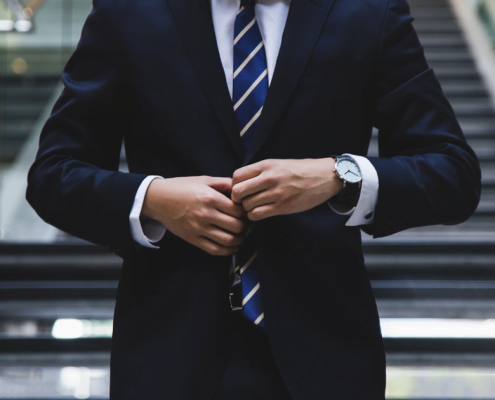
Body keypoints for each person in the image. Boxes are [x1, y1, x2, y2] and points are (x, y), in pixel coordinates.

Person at [26, 0, 481, 398]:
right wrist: (152, 198)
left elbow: (452, 172)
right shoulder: (127, 11)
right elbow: (53, 174)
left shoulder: (369, 11)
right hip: (166, 354)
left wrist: (339, 174)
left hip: (326, 358)